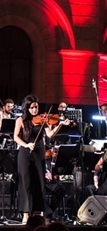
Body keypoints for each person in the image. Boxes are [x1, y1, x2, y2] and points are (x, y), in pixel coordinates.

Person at [13, 94, 70, 224]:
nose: (34, 110)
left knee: (39, 182)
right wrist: (26, 144)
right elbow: (16, 137)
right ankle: (26, 214)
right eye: (32, 107)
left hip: (39, 152)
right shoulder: (20, 120)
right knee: (26, 183)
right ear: (27, 108)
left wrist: (60, 124)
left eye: (36, 107)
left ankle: (39, 213)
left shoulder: (42, 120)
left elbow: (50, 134)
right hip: (25, 153)